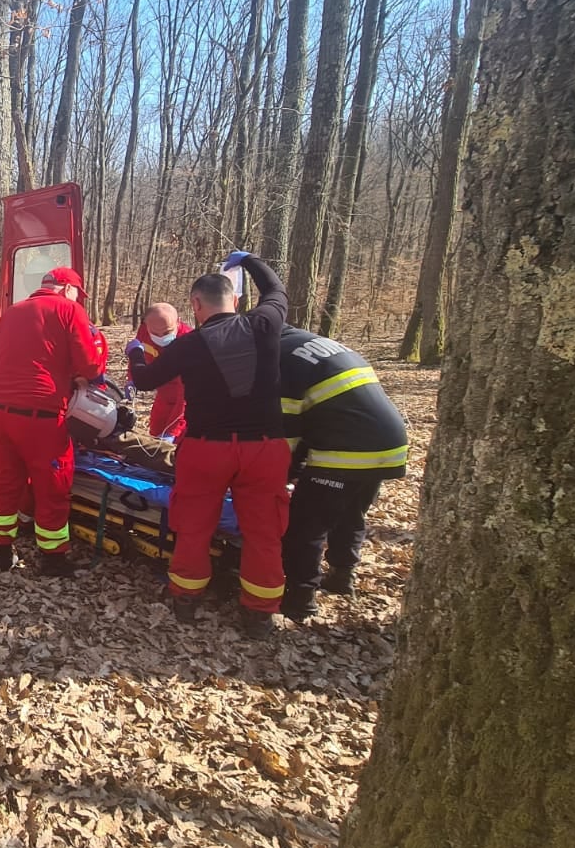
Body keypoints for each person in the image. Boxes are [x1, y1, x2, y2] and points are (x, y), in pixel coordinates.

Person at [126, 253, 290, 637]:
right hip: (262, 447)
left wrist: (134, 353)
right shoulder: (266, 324)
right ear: (235, 300)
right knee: (264, 530)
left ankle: (186, 597)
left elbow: (146, 380)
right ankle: (260, 613)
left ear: (195, 306)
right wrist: (249, 260)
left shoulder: (188, 345)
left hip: (206, 448)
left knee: (195, 525)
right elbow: (276, 290)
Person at [277, 326, 408, 621]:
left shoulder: (281, 360)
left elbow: (287, 430)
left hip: (345, 450)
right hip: (389, 445)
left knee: (305, 525)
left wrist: (282, 474)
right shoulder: (323, 346)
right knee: (350, 514)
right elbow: (324, 410)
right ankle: (342, 575)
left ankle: (300, 597)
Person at [0, 267, 104, 574]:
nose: (79, 298)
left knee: (6, 483)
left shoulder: (10, 313)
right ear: (66, 289)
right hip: (42, 417)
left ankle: (0, 553)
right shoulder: (69, 310)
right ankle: (52, 559)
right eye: (78, 292)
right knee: (53, 486)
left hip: (0, 412)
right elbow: (89, 364)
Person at [131, 303, 192, 438]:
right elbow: (137, 357)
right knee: (155, 432)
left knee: (177, 438)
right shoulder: (144, 332)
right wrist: (132, 379)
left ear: (178, 322)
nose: (161, 337)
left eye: (167, 332)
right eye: (155, 333)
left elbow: (186, 395)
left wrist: (172, 432)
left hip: (183, 396)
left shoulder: (189, 341)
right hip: (162, 393)